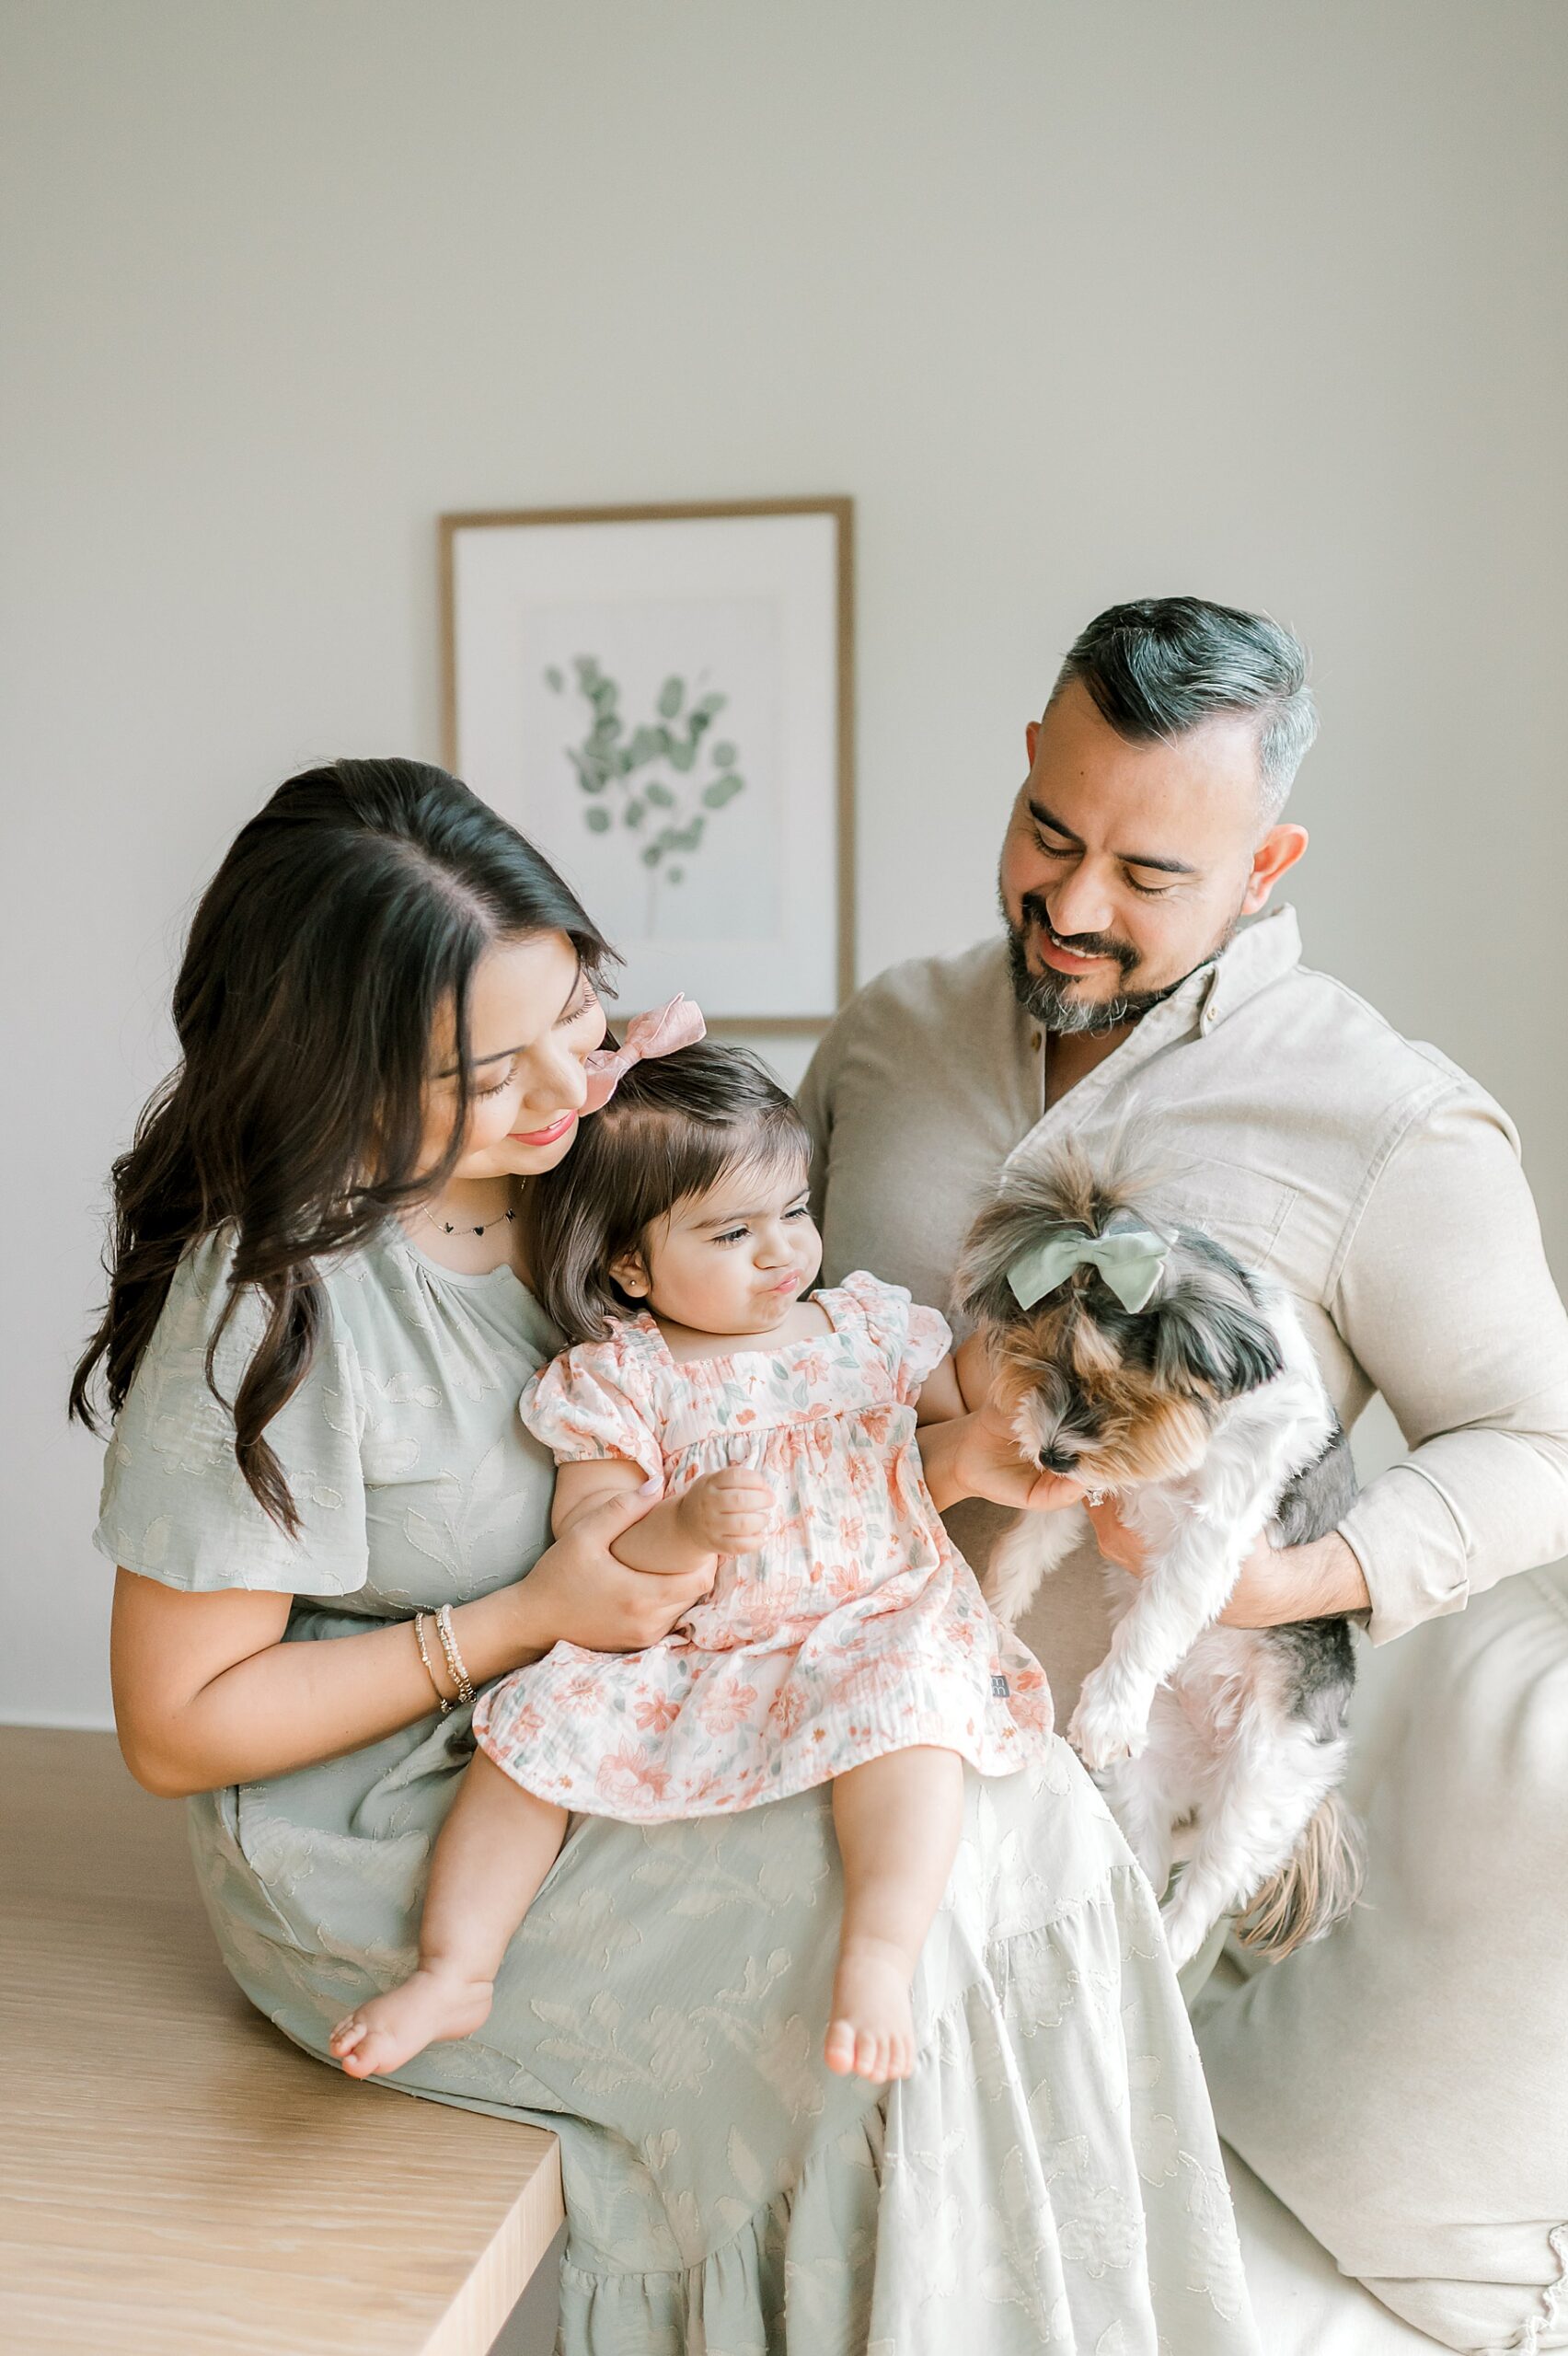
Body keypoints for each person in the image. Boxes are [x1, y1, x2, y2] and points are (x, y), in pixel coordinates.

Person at [75, 757, 1261, 2353]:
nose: (562, 1087)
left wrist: (975, 1441)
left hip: (666, 1692)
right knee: (850, 1959)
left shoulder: (608, 1157)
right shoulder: (271, 1302)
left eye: (576, 1013)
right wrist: (522, 1618)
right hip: (401, 1810)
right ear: (338, 1074)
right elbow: (174, 1727)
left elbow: (773, 1427)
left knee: (1008, 1818)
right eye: (488, 1072)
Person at [800, 595, 1568, 1742]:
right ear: (1029, 763)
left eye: (1148, 877)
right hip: (797, 1738)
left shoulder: (1395, 1120)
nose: (1073, 906)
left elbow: (1543, 1446)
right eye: (1051, 833)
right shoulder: (887, 1031)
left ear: (1263, 867)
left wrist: (1288, 1582)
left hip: (1124, 1810)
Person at [329, 1028, 1053, 2090]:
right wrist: (687, 1520)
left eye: (794, 1211)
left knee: (913, 1718)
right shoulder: (623, 1380)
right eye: (731, 1232)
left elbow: (946, 1417)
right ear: (632, 1262)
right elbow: (596, 1537)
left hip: (873, 1614)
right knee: (528, 1737)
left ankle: (880, 1954)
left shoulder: (861, 1332)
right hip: (693, 1642)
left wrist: (1017, 1393)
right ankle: (456, 1967)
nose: (781, 1251)